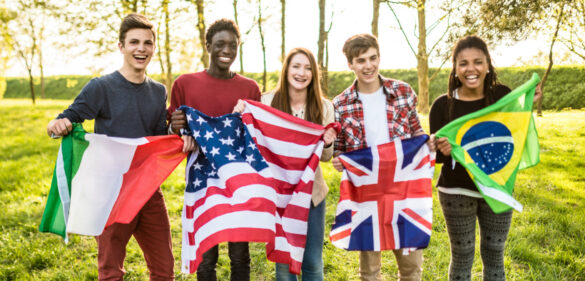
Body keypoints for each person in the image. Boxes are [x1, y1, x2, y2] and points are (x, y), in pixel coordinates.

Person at [46, 13, 175, 281]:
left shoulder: (158, 91)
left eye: (148, 43)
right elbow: (69, 115)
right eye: (134, 42)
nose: (141, 48)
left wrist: (176, 130)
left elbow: (158, 137)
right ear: (121, 46)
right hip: (111, 191)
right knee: (111, 271)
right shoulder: (101, 87)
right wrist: (57, 124)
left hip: (148, 189)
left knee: (164, 270)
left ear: (154, 47)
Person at [430, 35, 534, 281]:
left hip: (497, 188)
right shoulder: (442, 105)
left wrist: (526, 102)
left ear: (488, 65)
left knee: (495, 253)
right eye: (463, 63)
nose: (471, 69)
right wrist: (440, 149)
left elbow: (515, 136)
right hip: (456, 191)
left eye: (478, 62)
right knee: (462, 255)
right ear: (455, 69)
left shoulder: (502, 97)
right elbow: (436, 158)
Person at [331, 34, 433, 281]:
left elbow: (416, 132)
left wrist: (426, 143)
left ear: (379, 56)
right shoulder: (341, 104)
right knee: (370, 271)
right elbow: (339, 148)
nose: (368, 65)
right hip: (367, 196)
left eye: (373, 58)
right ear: (350, 64)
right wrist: (338, 158)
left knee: (411, 267)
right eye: (361, 60)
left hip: (403, 192)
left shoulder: (403, 91)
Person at [167, 18, 261, 281]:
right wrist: (174, 126)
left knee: (240, 255)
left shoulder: (250, 88)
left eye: (233, 45)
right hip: (202, 182)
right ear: (208, 45)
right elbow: (172, 132)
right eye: (220, 44)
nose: (227, 50)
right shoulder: (184, 84)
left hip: (238, 181)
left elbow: (256, 134)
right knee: (206, 257)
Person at [233, 47, 337, 281]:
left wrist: (328, 142)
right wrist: (241, 113)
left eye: (308, 68)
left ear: (314, 75)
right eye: (296, 66)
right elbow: (253, 141)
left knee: (312, 261)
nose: (302, 73)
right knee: (284, 261)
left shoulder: (325, 107)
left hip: (311, 194)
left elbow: (326, 157)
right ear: (286, 70)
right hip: (277, 193)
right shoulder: (267, 101)